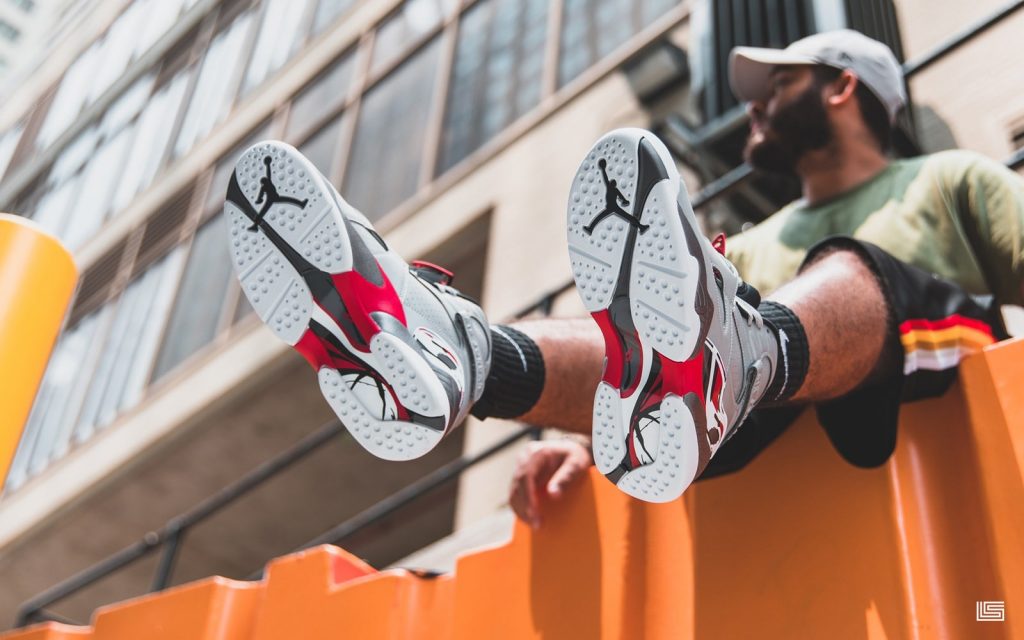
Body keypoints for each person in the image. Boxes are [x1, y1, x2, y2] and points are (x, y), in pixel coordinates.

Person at [220, 32, 1022, 524]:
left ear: (844, 89)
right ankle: (464, 351)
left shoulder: (946, 178)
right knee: (676, 319)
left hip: (929, 393)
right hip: (766, 429)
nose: (752, 109)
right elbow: (654, 340)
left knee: (858, 271)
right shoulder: (754, 240)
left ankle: (744, 356)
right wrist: (586, 436)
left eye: (775, 86)